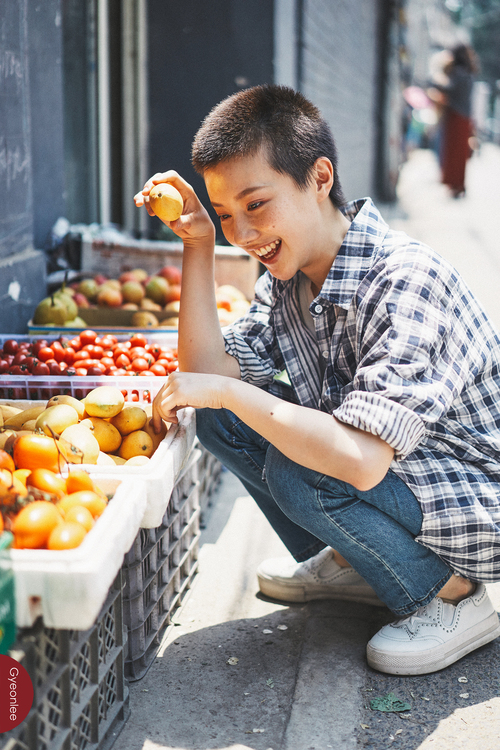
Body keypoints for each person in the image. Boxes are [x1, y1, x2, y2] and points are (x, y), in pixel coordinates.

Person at [134, 84, 500, 676]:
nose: (243, 233)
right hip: (402, 474)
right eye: (227, 214)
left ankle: (451, 593)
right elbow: (205, 375)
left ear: (320, 176)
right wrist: (198, 243)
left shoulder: (405, 280)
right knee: (224, 417)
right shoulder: (291, 278)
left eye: (256, 205)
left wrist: (231, 390)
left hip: (474, 495)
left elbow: (358, 461)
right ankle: (358, 561)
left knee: (297, 462)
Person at [430, 43, 478, 197]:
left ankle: (454, 184)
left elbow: (447, 88)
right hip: (465, 117)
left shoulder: (458, 72)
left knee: (453, 151)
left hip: (456, 115)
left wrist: (434, 81)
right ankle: (458, 184)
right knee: (460, 153)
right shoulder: (469, 72)